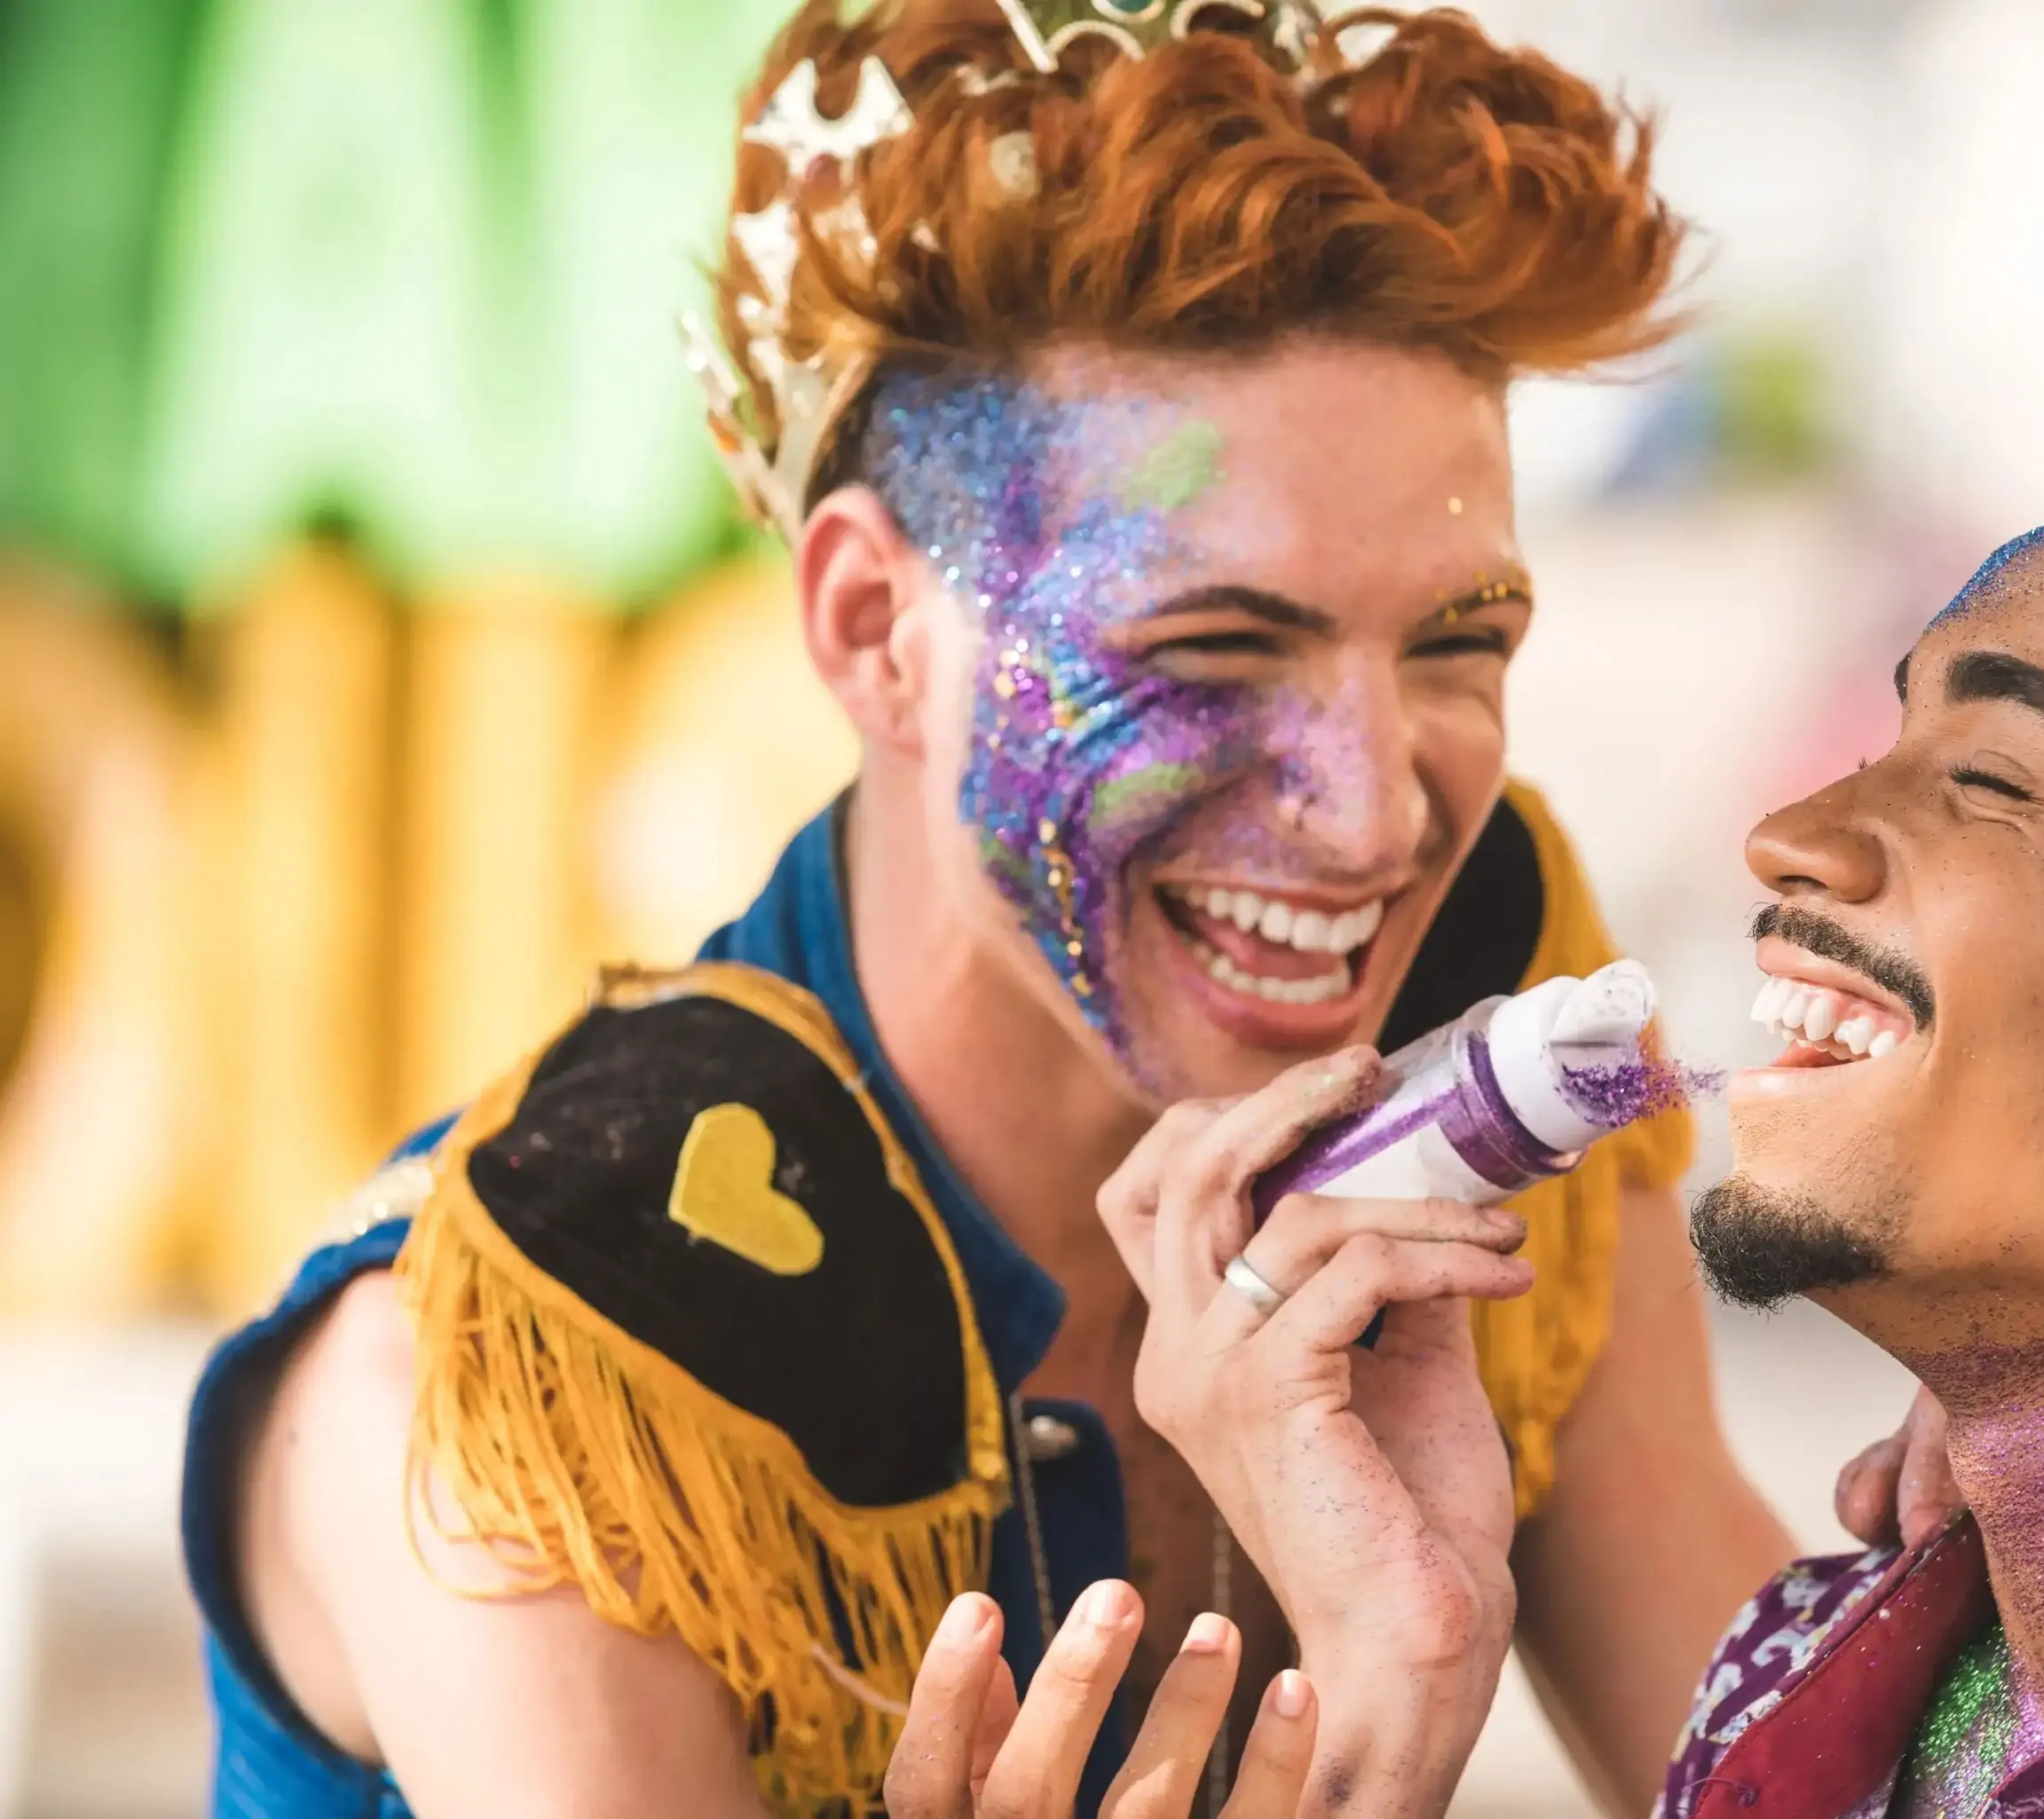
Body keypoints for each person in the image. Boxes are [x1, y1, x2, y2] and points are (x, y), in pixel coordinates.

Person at [176, 5, 1953, 1816]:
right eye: (1210, 647)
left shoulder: (1496, 979)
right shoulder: (556, 1395)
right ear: (875, 628)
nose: (1370, 814)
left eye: (1455, 642)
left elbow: (1786, 1772)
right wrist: (1378, 1742)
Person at [1049, 497, 2044, 1819]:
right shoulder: (1805, 1672)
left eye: (1993, 780)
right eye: (1891, 733)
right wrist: (1392, 1693)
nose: (1791, 834)